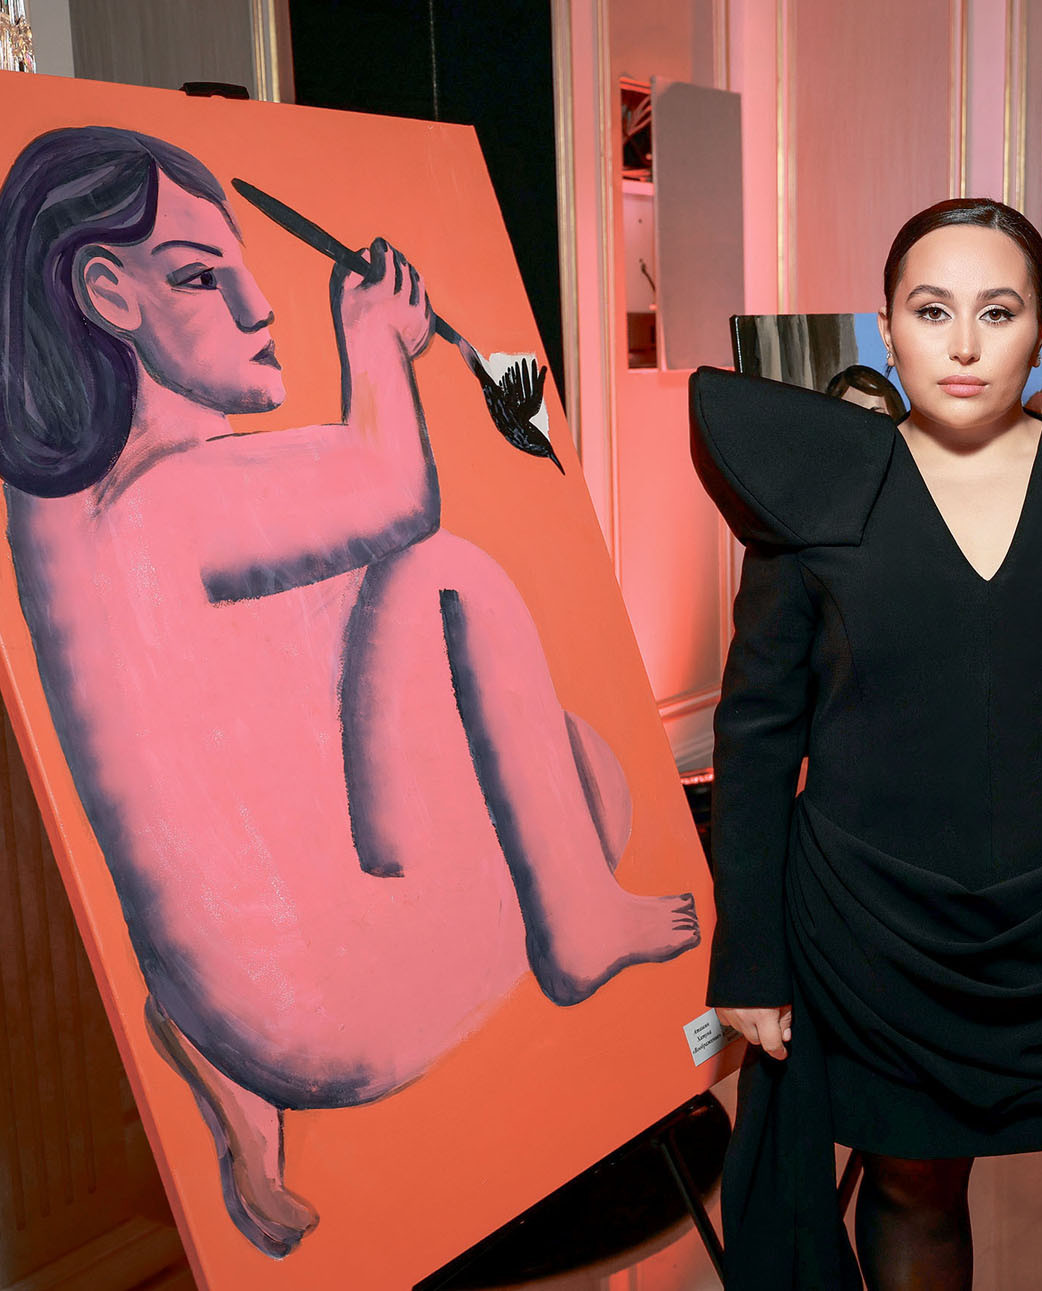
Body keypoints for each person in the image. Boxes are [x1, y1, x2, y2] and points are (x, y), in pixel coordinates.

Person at [0, 126, 700, 1257]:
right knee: (459, 596)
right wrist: (373, 342)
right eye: (200, 278)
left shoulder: (64, 518)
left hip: (233, 990)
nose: (256, 305)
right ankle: (578, 925)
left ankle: (220, 1052)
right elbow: (395, 489)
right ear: (106, 293)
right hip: (346, 1011)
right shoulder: (168, 510)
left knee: (538, 736)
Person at [689, 197, 1042, 1288]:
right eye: (930, 310)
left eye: (996, 311)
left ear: (1041, 328)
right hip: (877, 926)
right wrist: (747, 951)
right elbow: (754, 739)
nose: (961, 345)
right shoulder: (817, 490)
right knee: (914, 1189)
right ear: (886, 328)